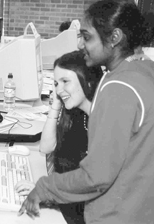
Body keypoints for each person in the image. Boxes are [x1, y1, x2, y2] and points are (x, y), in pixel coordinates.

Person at [17, 1, 154, 223]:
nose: (80, 44)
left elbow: (96, 176)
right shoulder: (146, 70)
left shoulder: (120, 88)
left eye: (87, 37)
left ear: (114, 38)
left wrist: (44, 188)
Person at [16, 50, 103, 224]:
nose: (58, 89)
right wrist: (56, 105)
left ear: (87, 80)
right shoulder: (79, 115)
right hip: (70, 207)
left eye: (65, 81)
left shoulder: (104, 122)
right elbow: (46, 148)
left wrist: (47, 193)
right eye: (56, 83)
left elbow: (92, 185)